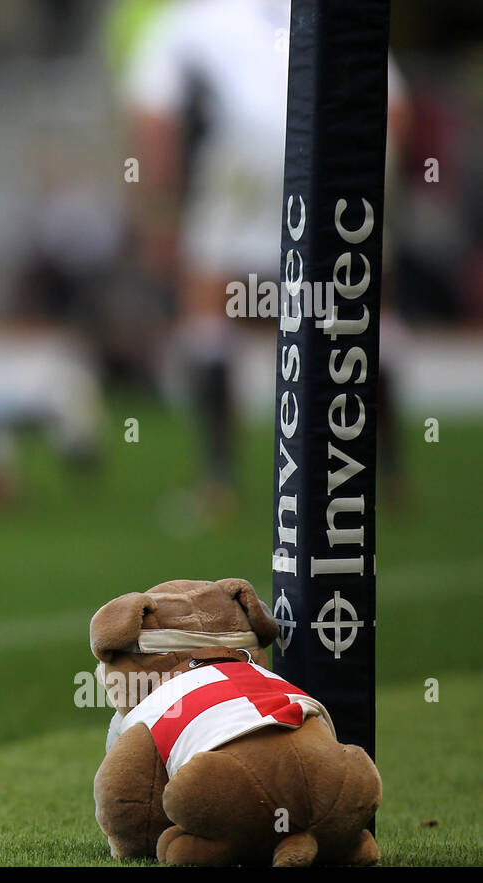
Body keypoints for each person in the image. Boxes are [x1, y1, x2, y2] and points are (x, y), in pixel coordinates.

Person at [123, 0, 409, 514]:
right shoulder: (324, 11)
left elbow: (155, 118)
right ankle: (390, 480)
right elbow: (396, 104)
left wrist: (160, 217)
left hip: (247, 152)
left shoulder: (185, 21)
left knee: (208, 311)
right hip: (339, 144)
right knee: (357, 310)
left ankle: (218, 482)